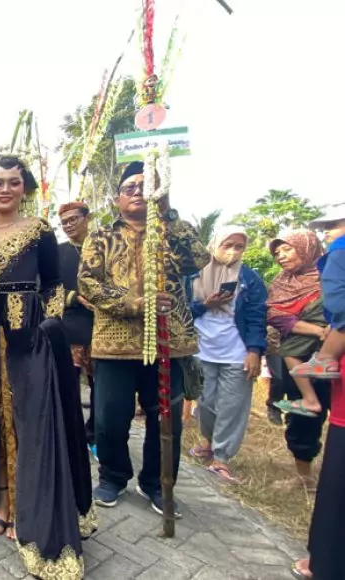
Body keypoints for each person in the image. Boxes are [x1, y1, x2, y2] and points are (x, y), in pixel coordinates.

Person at [0, 157, 95, 579]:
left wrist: (48, 331)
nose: (5, 189)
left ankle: (24, 507)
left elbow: (52, 285)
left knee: (25, 421)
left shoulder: (39, 231)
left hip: (26, 338)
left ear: (25, 189)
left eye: (14, 183)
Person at [78, 161, 210, 517]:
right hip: (115, 342)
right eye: (129, 188)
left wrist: (167, 212)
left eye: (145, 186)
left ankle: (156, 482)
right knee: (109, 417)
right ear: (117, 199)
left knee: (165, 418)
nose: (137, 192)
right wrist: (133, 303)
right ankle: (113, 476)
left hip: (169, 341)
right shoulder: (102, 236)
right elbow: (87, 282)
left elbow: (198, 259)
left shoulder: (170, 230)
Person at [186, 226, 267, 483]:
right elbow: (181, 310)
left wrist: (254, 351)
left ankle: (221, 458)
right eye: (227, 245)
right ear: (214, 245)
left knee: (232, 406)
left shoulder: (249, 279)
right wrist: (204, 304)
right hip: (202, 349)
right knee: (206, 403)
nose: (232, 251)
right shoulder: (193, 275)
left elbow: (256, 317)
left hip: (236, 352)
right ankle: (207, 442)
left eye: (239, 246)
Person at [290, 207, 345, 580]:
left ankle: (328, 562)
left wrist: (325, 357)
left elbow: (342, 315)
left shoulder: (339, 256)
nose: (329, 236)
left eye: (332, 228)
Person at [266, 231, 327, 491]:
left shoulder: (331, 277)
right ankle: (304, 478)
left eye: (287, 249)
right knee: (302, 418)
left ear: (307, 248)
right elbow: (274, 315)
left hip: (336, 356)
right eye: (277, 252)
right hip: (299, 361)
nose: (281, 256)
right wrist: (315, 331)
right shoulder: (280, 283)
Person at [53, 201, 97, 459]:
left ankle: (94, 434)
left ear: (87, 218)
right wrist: (74, 298)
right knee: (68, 385)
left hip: (104, 328)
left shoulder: (103, 248)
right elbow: (47, 289)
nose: (68, 225)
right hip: (70, 328)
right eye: (64, 221)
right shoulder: (58, 252)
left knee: (101, 389)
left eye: (73, 219)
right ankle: (70, 435)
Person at [290, 205, 345, 381]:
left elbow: (336, 294)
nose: (326, 231)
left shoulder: (338, 250)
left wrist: (336, 321)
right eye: (324, 228)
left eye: (333, 225)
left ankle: (325, 358)